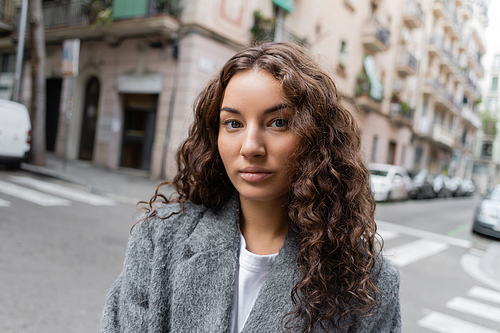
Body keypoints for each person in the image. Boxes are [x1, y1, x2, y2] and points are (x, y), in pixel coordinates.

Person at [101, 42, 401, 333]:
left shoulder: (371, 282)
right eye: (233, 123)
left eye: (279, 122)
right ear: (214, 134)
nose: (251, 147)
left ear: (317, 138)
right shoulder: (158, 240)